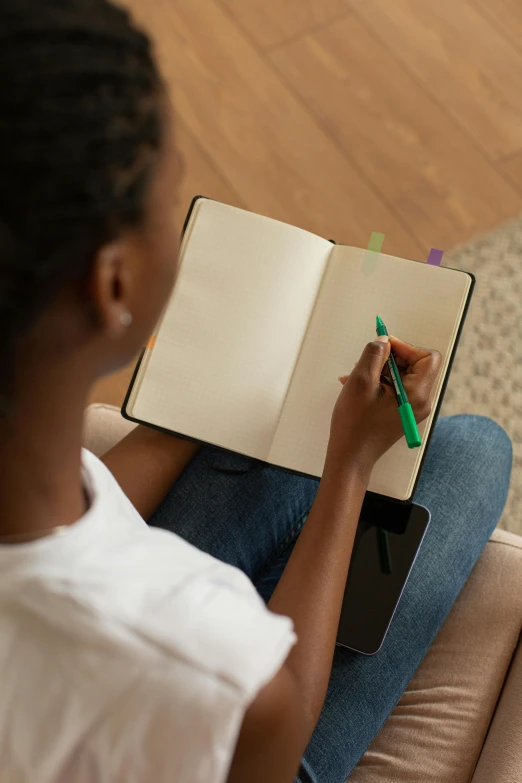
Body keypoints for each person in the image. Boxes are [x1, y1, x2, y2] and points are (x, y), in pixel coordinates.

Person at [0, 1, 512, 782]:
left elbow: (66, 511)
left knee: (275, 428)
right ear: (111, 282)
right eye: (167, 203)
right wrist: (346, 464)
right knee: (475, 451)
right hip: (241, 747)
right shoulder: (194, 661)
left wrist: (197, 407)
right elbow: (277, 720)